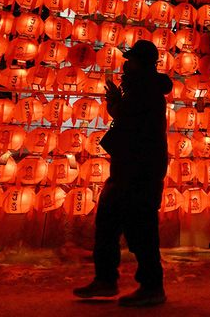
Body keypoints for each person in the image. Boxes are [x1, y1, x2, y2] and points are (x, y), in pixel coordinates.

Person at [73, 39, 172, 307]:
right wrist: (117, 100)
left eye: (132, 60)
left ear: (143, 63)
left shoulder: (145, 90)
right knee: (108, 224)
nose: (127, 65)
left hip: (140, 170)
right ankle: (106, 280)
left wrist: (116, 102)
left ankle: (151, 287)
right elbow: (125, 116)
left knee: (140, 230)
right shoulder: (140, 88)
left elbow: (129, 121)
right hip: (129, 167)